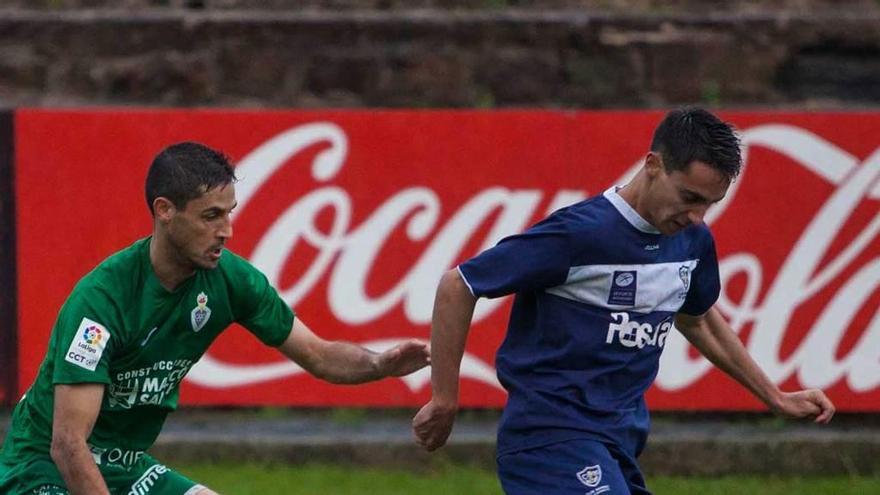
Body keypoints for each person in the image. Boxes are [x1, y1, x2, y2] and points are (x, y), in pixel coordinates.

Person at [412, 107, 835, 494]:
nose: (698, 216)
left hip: (618, 441)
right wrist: (445, 399)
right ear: (653, 164)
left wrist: (774, 397)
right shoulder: (580, 234)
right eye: (689, 197)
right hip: (550, 439)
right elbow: (458, 285)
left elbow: (698, 319)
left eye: (710, 204)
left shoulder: (691, 241)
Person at [0, 142, 430, 495]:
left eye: (229, 213)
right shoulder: (101, 302)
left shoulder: (231, 279)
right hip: (40, 469)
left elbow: (318, 355)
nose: (227, 230)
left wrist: (380, 364)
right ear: (165, 210)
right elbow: (68, 444)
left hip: (125, 465)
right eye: (211, 216)